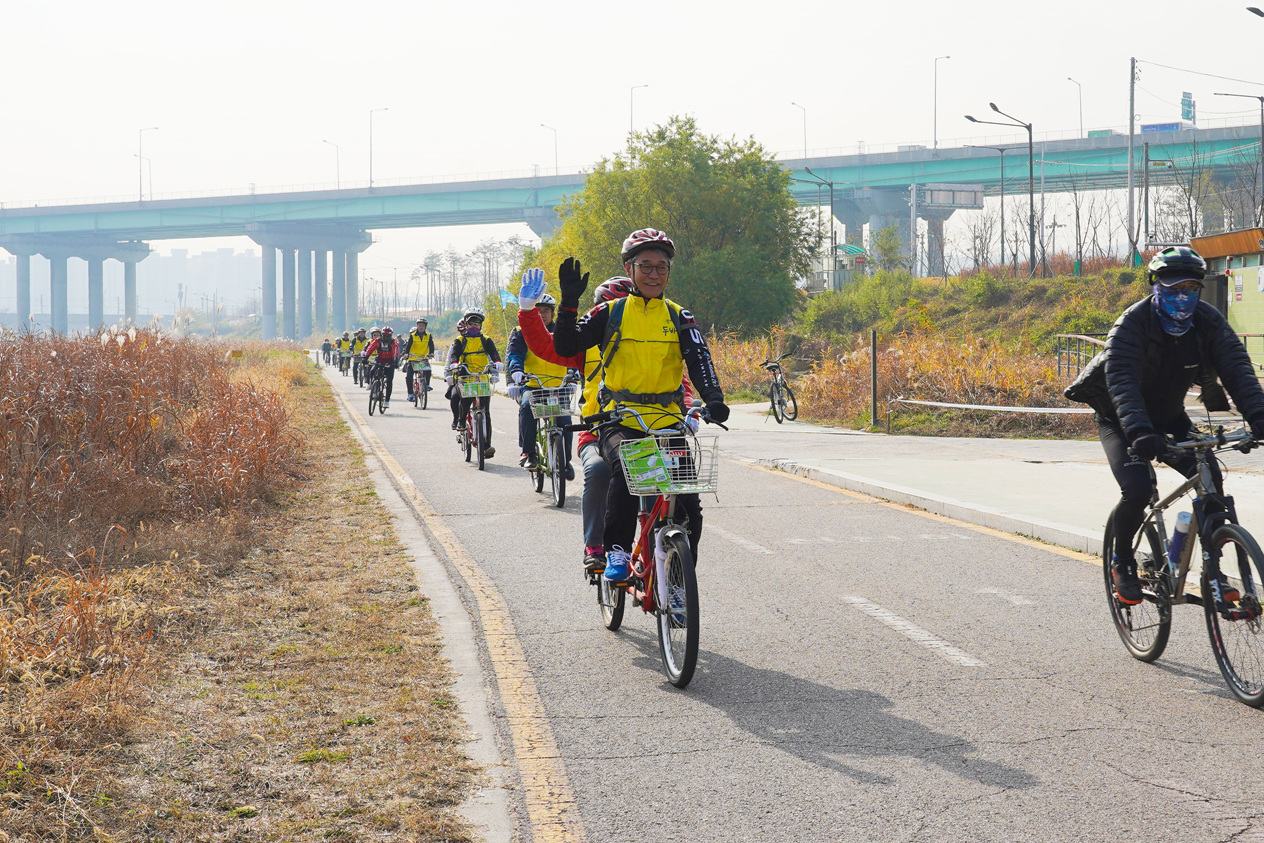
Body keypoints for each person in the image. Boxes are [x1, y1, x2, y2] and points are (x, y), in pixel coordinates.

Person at [1065, 246, 1264, 607]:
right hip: (1122, 421)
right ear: (1154, 285)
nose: (1181, 297)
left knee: (1211, 479)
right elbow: (1121, 380)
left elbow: (1237, 369)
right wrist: (1140, 431)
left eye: (1190, 289)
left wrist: (1259, 417)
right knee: (1139, 490)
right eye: (1172, 288)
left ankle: (1214, 573)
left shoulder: (1208, 322)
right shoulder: (1132, 324)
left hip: (1171, 418)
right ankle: (1121, 560)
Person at [553, 228, 728, 584]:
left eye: (661, 267)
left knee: (688, 503)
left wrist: (715, 400)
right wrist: (569, 304)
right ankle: (615, 550)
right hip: (619, 420)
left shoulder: (680, 316)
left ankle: (678, 577)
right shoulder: (610, 313)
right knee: (625, 472)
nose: (654, 274)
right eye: (645, 266)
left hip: (667, 421)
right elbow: (565, 345)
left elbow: (699, 360)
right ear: (629, 269)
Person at [519, 271, 693, 573]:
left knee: (669, 494)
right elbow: (545, 345)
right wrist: (528, 311)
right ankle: (597, 546)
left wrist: (689, 410)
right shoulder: (583, 348)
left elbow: (680, 384)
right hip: (598, 434)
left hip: (652, 431)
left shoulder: (651, 345)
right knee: (600, 471)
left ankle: (667, 560)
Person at [507, 291, 575, 475]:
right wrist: (516, 372)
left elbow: (574, 353)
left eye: (546, 310)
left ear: (553, 314)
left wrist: (574, 374)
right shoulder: (522, 333)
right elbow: (514, 355)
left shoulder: (562, 332)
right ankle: (529, 453)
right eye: (537, 311)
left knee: (565, 422)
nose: (542, 314)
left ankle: (566, 462)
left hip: (559, 387)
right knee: (527, 408)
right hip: (533, 385)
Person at [445, 307, 503, 458]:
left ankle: (487, 445)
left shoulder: (486, 340)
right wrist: (453, 365)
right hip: (467, 379)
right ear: (466, 324)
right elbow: (454, 356)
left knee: (486, 413)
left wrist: (497, 363)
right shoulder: (459, 341)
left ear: (481, 325)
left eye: (477, 323)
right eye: (471, 323)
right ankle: (461, 421)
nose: (474, 326)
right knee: (464, 401)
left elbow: (494, 353)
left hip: (483, 379)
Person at [402, 317, 436, 401]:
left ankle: (426, 385)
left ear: (425, 327)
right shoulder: (413, 336)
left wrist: (431, 353)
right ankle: (410, 394)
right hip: (413, 359)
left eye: (423, 325)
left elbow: (431, 345)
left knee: (428, 370)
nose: (421, 327)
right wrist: (406, 354)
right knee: (409, 376)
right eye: (419, 325)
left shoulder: (428, 335)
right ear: (417, 326)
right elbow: (408, 346)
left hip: (423, 358)